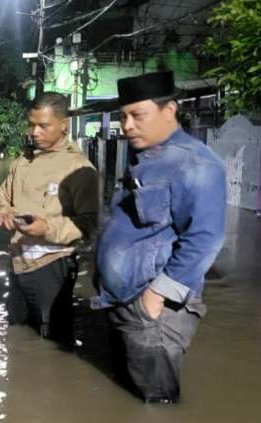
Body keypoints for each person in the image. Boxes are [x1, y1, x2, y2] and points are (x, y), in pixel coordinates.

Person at [95, 71, 226, 403]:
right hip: (124, 302)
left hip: (152, 312)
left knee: (156, 412)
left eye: (137, 115)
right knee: (125, 401)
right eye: (124, 116)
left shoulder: (194, 163)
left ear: (170, 110)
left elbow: (205, 238)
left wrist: (155, 298)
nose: (127, 125)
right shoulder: (148, 158)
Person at [0, 92, 99, 344]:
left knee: (52, 339)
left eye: (43, 126)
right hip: (18, 262)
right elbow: (2, 197)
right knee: (17, 334)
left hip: (53, 266)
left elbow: (89, 224)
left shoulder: (79, 169)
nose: (34, 132)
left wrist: (46, 228)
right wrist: (3, 211)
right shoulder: (22, 162)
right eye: (31, 124)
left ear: (64, 125)